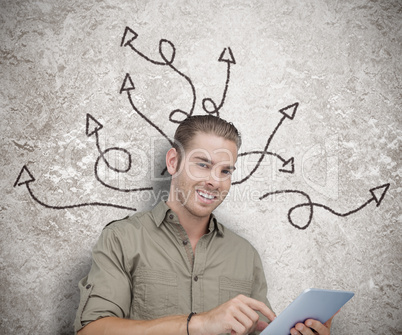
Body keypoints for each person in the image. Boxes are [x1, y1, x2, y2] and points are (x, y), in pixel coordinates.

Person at [74, 115, 335, 335]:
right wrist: (199, 323)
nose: (215, 181)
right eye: (203, 165)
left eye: (225, 171)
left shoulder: (245, 255)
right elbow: (92, 330)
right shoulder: (121, 239)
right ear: (173, 161)